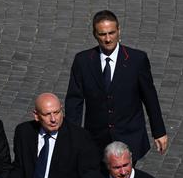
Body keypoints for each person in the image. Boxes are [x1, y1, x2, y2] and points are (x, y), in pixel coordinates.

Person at [64, 10, 169, 161]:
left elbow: (149, 97)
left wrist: (159, 131)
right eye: (102, 34)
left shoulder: (136, 60)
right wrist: (72, 137)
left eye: (111, 33)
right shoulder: (83, 61)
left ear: (119, 30)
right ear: (95, 34)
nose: (108, 39)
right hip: (96, 139)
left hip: (129, 136)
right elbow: (74, 101)